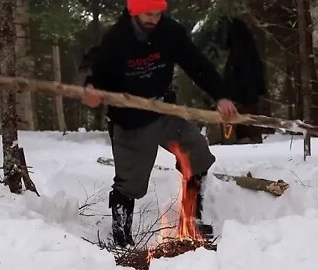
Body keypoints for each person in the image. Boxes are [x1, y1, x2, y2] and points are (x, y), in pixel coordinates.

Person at [83, 0, 238, 247]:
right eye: (148, 13)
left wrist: (221, 95)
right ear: (133, 10)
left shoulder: (169, 32)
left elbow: (197, 64)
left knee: (196, 153)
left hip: (165, 109)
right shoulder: (117, 39)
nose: (154, 19)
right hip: (130, 118)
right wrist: (91, 89)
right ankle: (122, 239)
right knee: (131, 182)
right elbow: (96, 73)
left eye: (158, 13)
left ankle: (191, 220)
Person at [215, 16, 267, 144]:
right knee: (245, 119)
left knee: (244, 118)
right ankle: (244, 138)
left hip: (242, 93)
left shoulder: (241, 50)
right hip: (245, 92)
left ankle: (243, 139)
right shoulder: (246, 48)